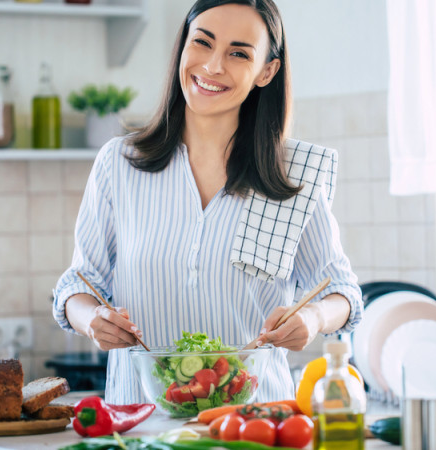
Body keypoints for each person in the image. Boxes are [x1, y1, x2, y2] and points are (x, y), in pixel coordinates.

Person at [53, 0, 363, 405]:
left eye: (238, 53)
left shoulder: (293, 177)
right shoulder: (119, 164)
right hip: (140, 425)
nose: (214, 66)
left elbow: (342, 290)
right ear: (183, 47)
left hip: (254, 426)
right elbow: (78, 283)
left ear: (266, 71)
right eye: (202, 43)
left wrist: (313, 317)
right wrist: (91, 319)